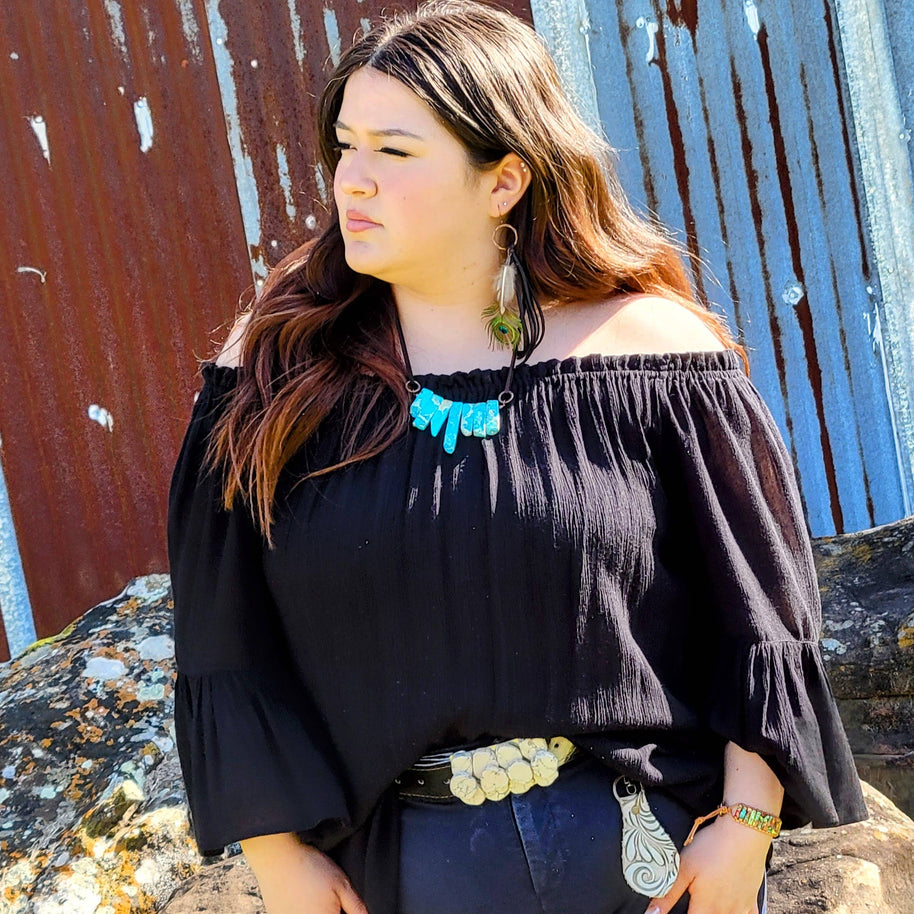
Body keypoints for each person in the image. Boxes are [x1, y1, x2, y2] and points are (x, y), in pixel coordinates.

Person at [166, 2, 868, 913]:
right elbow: (222, 639)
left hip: (648, 854)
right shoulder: (270, 375)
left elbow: (763, 610)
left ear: (503, 182)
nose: (353, 182)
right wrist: (276, 859)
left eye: (396, 150)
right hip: (403, 875)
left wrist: (746, 826)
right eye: (345, 146)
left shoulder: (651, 352)